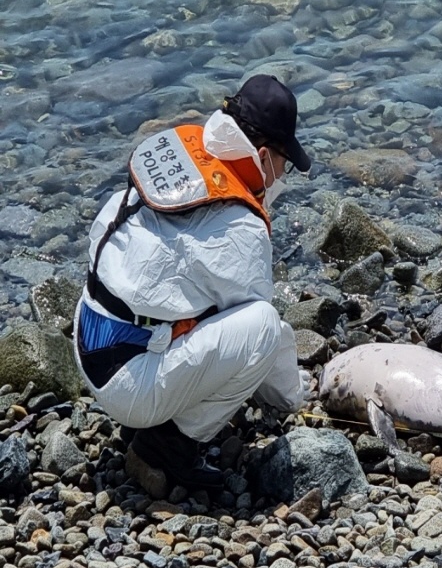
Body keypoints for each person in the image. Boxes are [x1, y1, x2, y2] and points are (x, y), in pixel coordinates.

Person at [73, 75, 312, 493]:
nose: (282, 175)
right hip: (127, 386)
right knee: (261, 325)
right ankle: (166, 448)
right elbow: (263, 337)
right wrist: (293, 398)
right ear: (261, 156)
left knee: (190, 305)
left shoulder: (183, 155)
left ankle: (153, 407)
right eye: (283, 163)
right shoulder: (240, 226)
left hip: (86, 337)